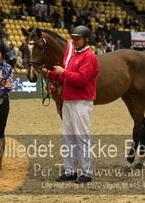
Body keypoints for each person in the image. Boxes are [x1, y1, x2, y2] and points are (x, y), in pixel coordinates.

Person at [42, 25, 99, 183]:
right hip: (69, 101)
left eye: (78, 38)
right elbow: (63, 78)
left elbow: (81, 79)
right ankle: (70, 170)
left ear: (86, 39)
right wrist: (49, 74)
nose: (75, 40)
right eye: (73, 38)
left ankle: (87, 172)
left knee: (82, 137)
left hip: (81, 101)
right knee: (68, 138)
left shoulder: (89, 57)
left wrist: (63, 72)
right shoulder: (74, 56)